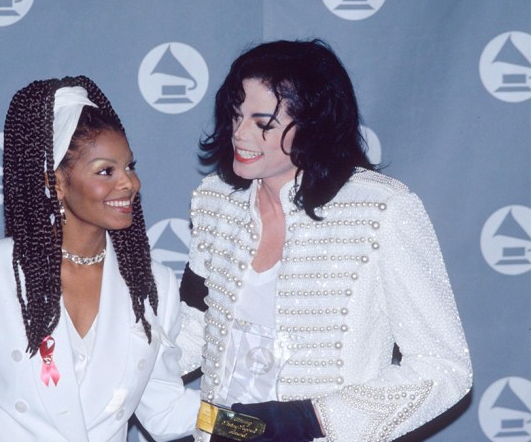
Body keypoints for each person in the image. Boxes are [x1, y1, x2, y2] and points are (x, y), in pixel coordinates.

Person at [179, 40, 473, 442]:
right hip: (221, 434)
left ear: (314, 124)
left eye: (263, 122)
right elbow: (194, 329)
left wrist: (311, 419)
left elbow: (444, 367)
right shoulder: (216, 203)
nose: (240, 133)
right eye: (235, 114)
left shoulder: (382, 209)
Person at [0, 75, 199, 441]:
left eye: (130, 167)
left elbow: (165, 411)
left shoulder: (151, 285)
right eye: (106, 171)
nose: (129, 183)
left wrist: (254, 421)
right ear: (55, 182)